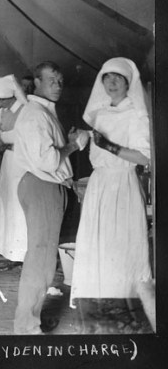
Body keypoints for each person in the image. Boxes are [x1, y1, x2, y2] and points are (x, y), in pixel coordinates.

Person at [70, 57, 152, 306]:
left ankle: (124, 300)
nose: (112, 82)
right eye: (107, 77)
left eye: (118, 78)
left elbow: (144, 156)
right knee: (98, 242)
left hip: (122, 184)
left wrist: (110, 147)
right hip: (99, 185)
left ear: (128, 83)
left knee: (121, 243)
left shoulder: (137, 114)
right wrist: (82, 137)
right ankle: (97, 299)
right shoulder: (100, 113)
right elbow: (95, 143)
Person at [12, 61, 84, 335]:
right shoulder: (35, 114)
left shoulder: (43, 112)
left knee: (42, 257)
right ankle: (26, 327)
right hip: (43, 185)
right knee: (40, 260)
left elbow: (50, 152)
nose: (57, 84)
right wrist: (74, 144)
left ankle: (32, 319)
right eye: (51, 79)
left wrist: (67, 140)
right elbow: (50, 158)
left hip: (47, 185)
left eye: (60, 80)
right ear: (37, 83)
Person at [0, 75, 28, 271]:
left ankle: (24, 254)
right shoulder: (1, 113)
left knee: (20, 208)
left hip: (22, 163)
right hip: (7, 163)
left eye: (3, 98)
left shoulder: (25, 110)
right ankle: (10, 252)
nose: (0, 102)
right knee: (7, 206)